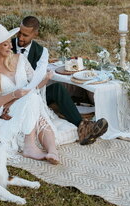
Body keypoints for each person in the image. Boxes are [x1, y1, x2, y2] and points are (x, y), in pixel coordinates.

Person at [12, 16, 108, 145]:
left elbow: (37, 78)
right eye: (19, 32)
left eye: (25, 35)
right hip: (11, 93)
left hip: (33, 92)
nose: (20, 38)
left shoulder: (42, 52)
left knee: (57, 88)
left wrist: (33, 89)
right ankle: (84, 127)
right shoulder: (7, 46)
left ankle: (83, 127)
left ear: (35, 34)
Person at [0, 23, 60, 164]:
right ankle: (30, 145)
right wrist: (14, 96)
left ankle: (53, 151)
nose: (11, 46)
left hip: (24, 102)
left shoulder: (21, 59)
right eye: (5, 45)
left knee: (35, 104)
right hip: (8, 110)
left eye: (10, 42)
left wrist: (45, 79)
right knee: (33, 100)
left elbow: (35, 85)